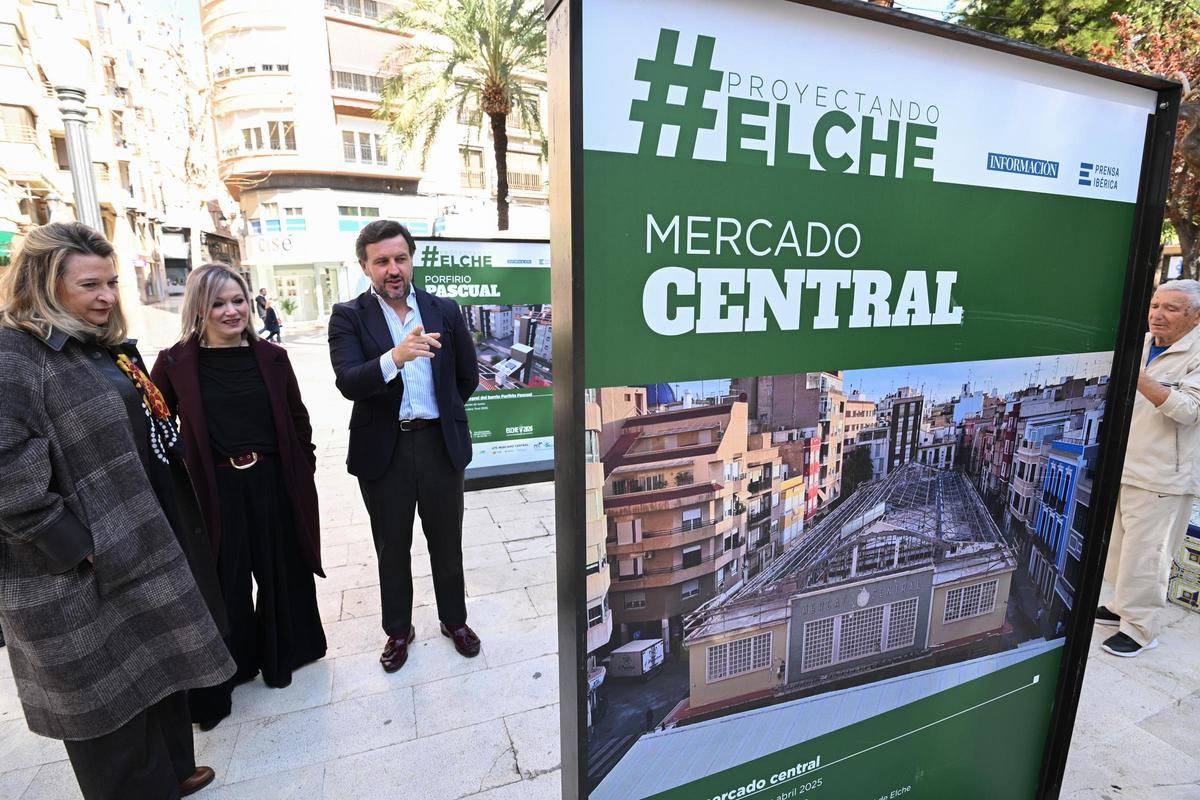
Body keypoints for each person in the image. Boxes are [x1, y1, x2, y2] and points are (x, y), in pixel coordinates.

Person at [0, 222, 235, 799]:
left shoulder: (92, 344)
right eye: (90, 285)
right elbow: (8, 478)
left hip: (137, 543)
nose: (107, 296)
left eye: (111, 282)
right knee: (107, 709)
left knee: (158, 672)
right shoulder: (15, 357)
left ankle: (172, 774)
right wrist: (81, 550)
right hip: (74, 572)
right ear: (41, 284)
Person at [151, 263, 327, 729]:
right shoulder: (173, 363)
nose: (231, 311)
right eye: (218, 303)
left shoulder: (271, 357)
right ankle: (227, 670)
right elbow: (156, 430)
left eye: (237, 300)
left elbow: (297, 417)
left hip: (272, 481)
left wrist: (301, 464)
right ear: (199, 308)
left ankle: (283, 656)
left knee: (279, 570)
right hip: (215, 489)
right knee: (222, 580)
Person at [328, 220, 481, 673]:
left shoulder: (444, 311)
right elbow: (349, 381)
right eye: (382, 261)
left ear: (412, 259)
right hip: (385, 450)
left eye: (400, 258)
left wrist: (443, 415)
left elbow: (466, 377)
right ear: (365, 266)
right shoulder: (348, 316)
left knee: (446, 542)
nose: (393, 269)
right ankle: (398, 630)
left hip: (439, 445)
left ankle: (455, 621)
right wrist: (395, 357)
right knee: (391, 547)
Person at [1099, 278, 1200, 657]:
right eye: (1155, 305)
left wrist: (1138, 378)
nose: (1157, 315)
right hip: (1125, 465)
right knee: (1121, 548)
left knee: (1148, 555)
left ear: (1195, 317)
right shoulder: (1142, 343)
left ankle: (1141, 630)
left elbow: (1191, 410)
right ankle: (1121, 608)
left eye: (1171, 309)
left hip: (1163, 473)